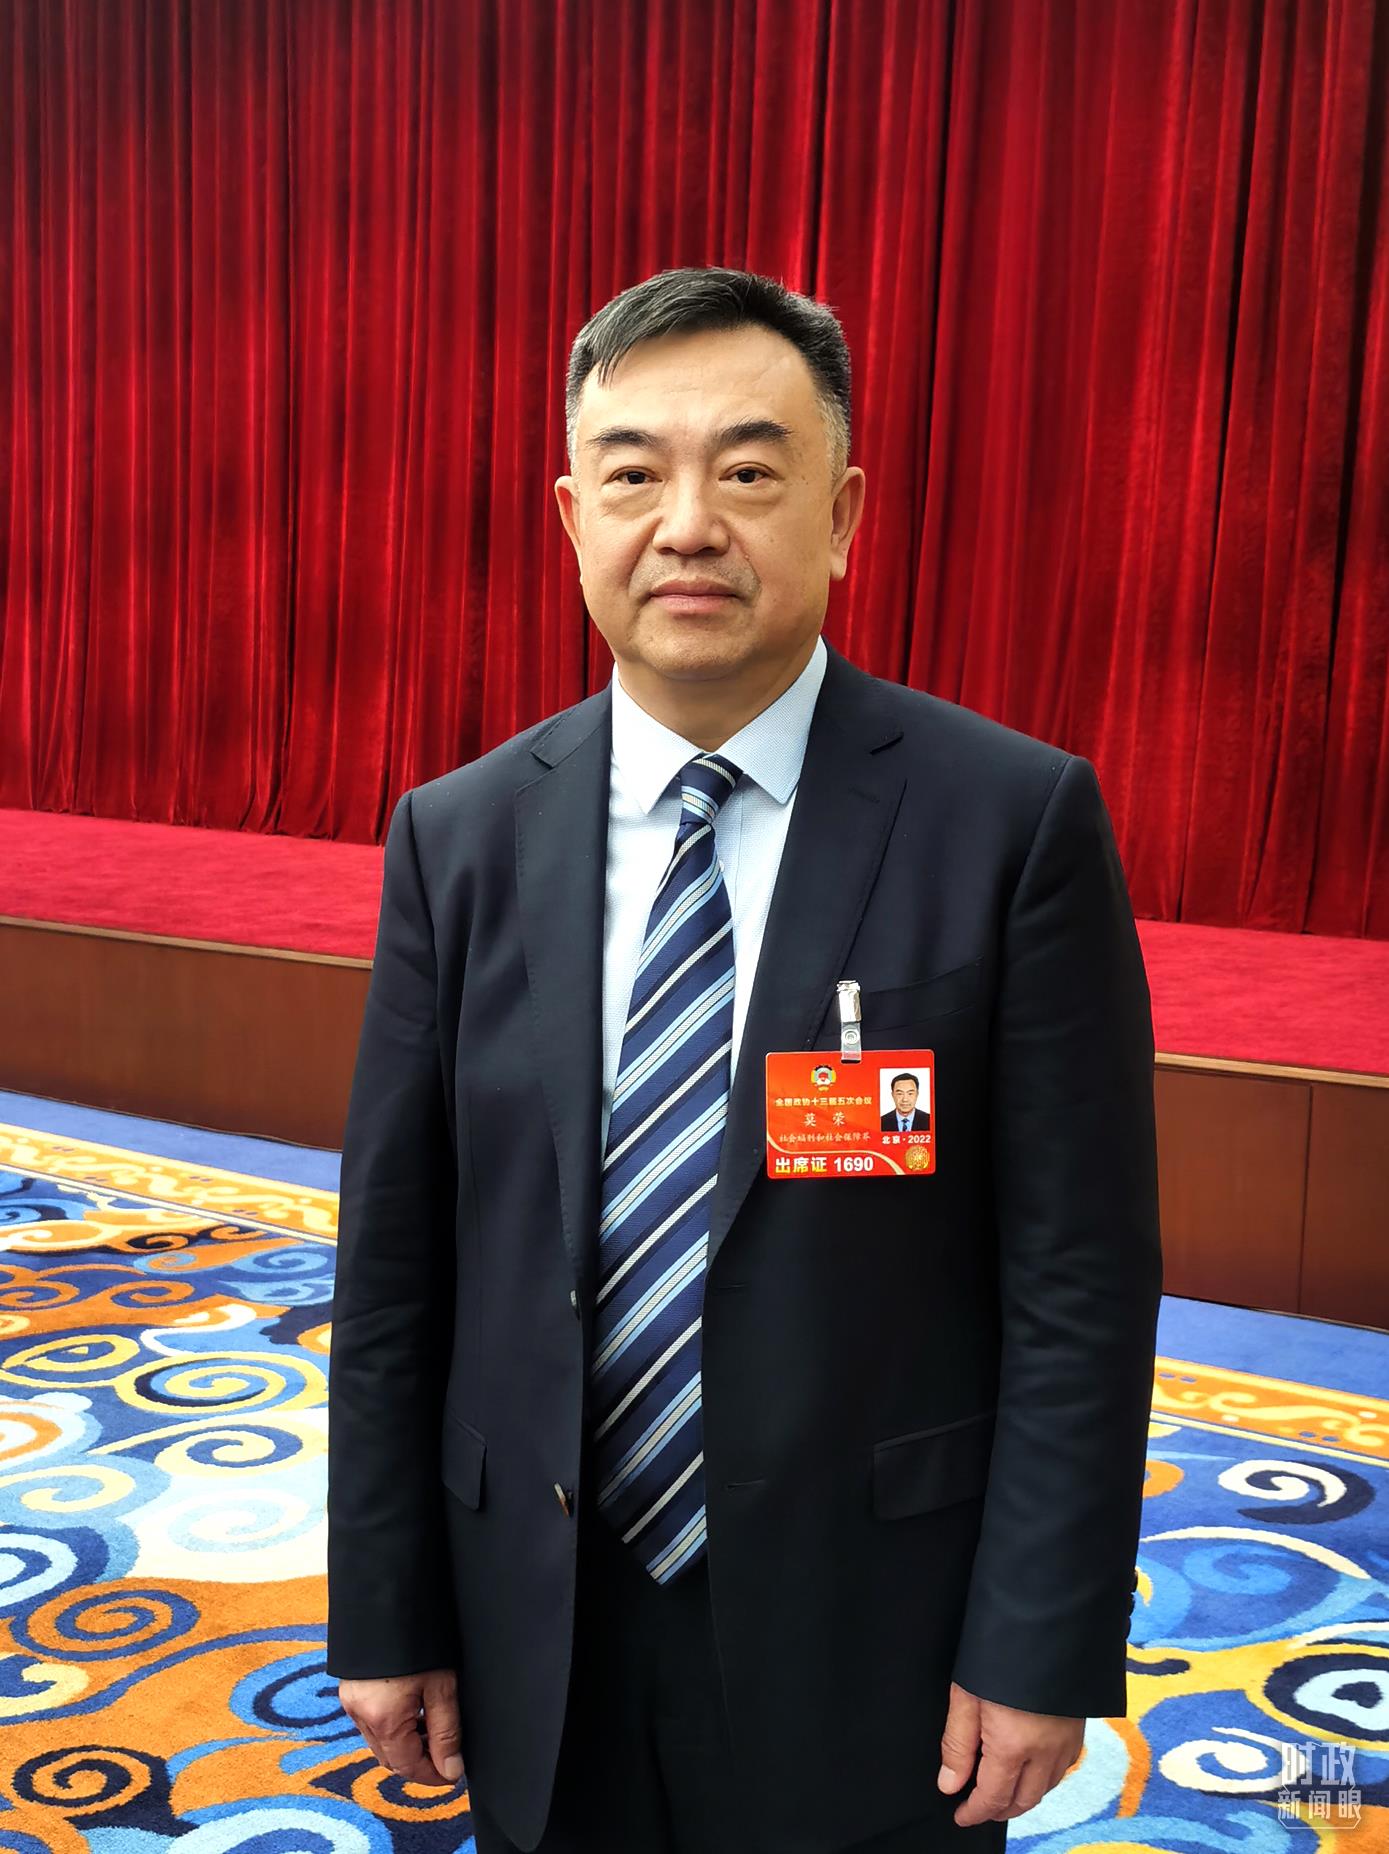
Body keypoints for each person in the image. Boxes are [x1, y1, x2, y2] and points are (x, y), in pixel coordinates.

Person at [326, 265, 1162, 1854]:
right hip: (533, 1624)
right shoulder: (459, 835)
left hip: (878, 1635)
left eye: (750, 471)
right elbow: (394, 1269)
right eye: (634, 473)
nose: (689, 524)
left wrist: (1037, 1639)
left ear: (840, 514)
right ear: (572, 515)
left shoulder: (1008, 822)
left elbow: (1079, 1281)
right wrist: (384, 1601)